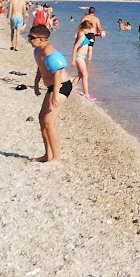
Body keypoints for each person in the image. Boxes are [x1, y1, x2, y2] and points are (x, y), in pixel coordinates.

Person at [29, 23, 71, 163]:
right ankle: (48, 155)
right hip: (52, 87)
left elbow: (57, 73)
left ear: (41, 39)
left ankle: (56, 157)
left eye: (31, 37)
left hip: (61, 86)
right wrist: (36, 83)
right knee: (42, 119)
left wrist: (55, 93)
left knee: (48, 121)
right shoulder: (37, 51)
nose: (29, 40)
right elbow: (40, 67)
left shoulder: (49, 52)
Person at [72, 11, 99, 101]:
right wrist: (73, 59)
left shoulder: (81, 34)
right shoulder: (82, 36)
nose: (89, 31)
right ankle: (86, 94)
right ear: (85, 28)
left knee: (80, 74)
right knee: (85, 75)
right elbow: (75, 47)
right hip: (79, 57)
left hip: (80, 57)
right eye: (89, 29)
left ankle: (71, 88)